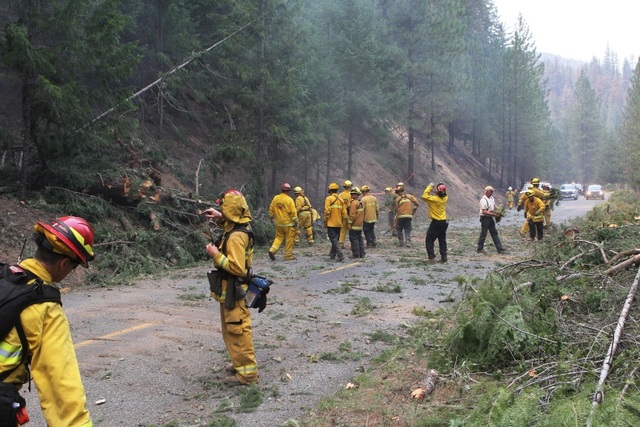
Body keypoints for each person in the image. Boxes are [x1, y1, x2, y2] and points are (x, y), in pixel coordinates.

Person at [0, 216, 95, 426]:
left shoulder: (3, 276)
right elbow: (60, 387)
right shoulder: (45, 307)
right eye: (74, 266)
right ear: (63, 263)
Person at [204, 189, 259, 385]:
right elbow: (232, 224)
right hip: (230, 291)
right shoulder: (241, 224)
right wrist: (220, 216)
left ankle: (247, 375)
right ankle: (239, 363)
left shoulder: (236, 237)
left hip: (234, 289)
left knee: (238, 331)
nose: (221, 211)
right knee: (230, 330)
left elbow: (237, 267)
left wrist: (215, 255)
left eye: (223, 208)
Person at [268, 183, 298, 261]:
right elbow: (293, 212)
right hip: (288, 224)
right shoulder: (289, 200)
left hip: (278, 223)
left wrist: (271, 218)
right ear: (289, 191)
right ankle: (288, 255)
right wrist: (296, 221)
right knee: (289, 239)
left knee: (278, 237)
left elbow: (271, 209)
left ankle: (272, 250)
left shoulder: (276, 198)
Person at [421, 182, 449, 263]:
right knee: (442, 240)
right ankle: (444, 258)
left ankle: (431, 257)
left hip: (436, 222)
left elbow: (424, 196)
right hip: (443, 222)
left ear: (437, 192)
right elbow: (444, 193)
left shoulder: (434, 199)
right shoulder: (445, 198)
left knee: (429, 239)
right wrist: (439, 188)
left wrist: (430, 186)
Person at [477, 186, 506, 254]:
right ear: (487, 191)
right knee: (483, 233)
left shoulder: (492, 198)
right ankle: (480, 248)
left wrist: (499, 210)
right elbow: (484, 211)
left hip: (490, 218)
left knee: (494, 232)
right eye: (491, 191)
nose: (492, 192)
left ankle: (499, 247)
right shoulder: (483, 200)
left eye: (492, 191)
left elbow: (494, 206)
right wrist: (494, 215)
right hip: (485, 218)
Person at [324, 182, 347, 262]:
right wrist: (343, 222)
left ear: (330, 190)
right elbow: (344, 213)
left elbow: (327, 211)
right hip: (339, 223)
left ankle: (340, 254)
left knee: (333, 239)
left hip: (331, 223)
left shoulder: (329, 199)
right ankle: (332, 255)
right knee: (335, 239)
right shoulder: (341, 200)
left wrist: (325, 221)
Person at [394, 182, 419, 247]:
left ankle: (401, 242)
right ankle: (408, 242)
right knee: (407, 229)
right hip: (409, 216)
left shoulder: (397, 199)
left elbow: (396, 210)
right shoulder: (410, 196)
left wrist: (395, 220)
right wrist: (414, 210)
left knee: (399, 229)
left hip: (401, 216)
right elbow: (417, 203)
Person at [348, 187, 365, 258]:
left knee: (354, 240)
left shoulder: (354, 203)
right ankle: (362, 253)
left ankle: (356, 254)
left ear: (357, 195)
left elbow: (352, 214)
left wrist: (349, 223)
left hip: (354, 225)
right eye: (351, 194)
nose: (352, 195)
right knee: (359, 239)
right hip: (360, 225)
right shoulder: (360, 202)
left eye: (353, 194)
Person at [338, 180, 353, 248]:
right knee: (351, 229)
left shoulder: (340, 195)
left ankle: (341, 243)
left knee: (343, 229)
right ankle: (353, 243)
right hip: (349, 213)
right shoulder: (351, 194)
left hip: (342, 214)